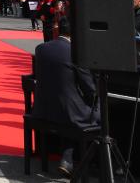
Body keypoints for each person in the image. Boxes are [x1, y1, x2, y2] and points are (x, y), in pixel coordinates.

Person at [31, 16, 99, 177]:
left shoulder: (41, 49)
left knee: (71, 112)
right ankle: (95, 162)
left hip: (43, 108)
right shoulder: (76, 53)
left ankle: (67, 159)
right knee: (98, 113)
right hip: (67, 112)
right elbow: (90, 89)